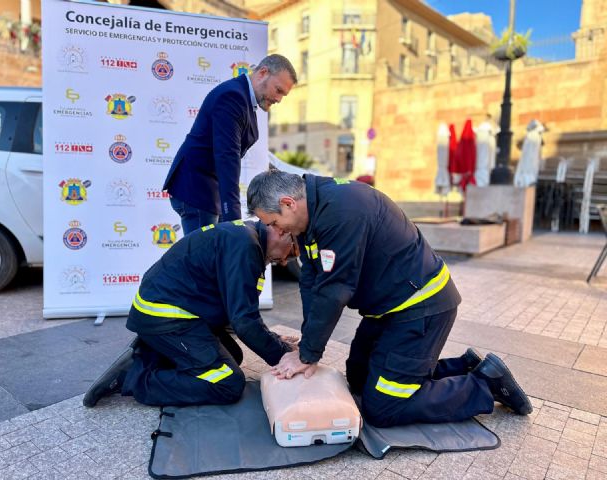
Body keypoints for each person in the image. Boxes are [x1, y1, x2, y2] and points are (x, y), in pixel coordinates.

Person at [246, 170, 532, 427]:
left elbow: (335, 290)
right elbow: (312, 284)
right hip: (387, 310)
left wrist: (308, 354)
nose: (278, 232)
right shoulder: (311, 217)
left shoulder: (341, 211)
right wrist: (306, 347)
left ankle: (484, 385)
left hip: (420, 307)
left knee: (383, 406)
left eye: (274, 222)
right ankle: (461, 366)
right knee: (358, 377)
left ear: (288, 203)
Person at [83, 220, 297, 408]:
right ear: (280, 230)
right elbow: (243, 321)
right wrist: (285, 358)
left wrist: (275, 341)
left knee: (234, 356)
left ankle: (151, 354)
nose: (287, 260)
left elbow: (239, 311)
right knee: (227, 383)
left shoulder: (246, 238)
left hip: (174, 311)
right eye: (293, 250)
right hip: (167, 317)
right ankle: (134, 377)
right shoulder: (246, 247)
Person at [163, 54, 297, 235]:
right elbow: (227, 157)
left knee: (209, 258)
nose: (279, 99)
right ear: (262, 73)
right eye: (278, 90)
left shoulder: (243, 98)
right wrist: (233, 221)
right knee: (205, 260)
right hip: (197, 189)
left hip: (204, 190)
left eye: (284, 95)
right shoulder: (233, 96)